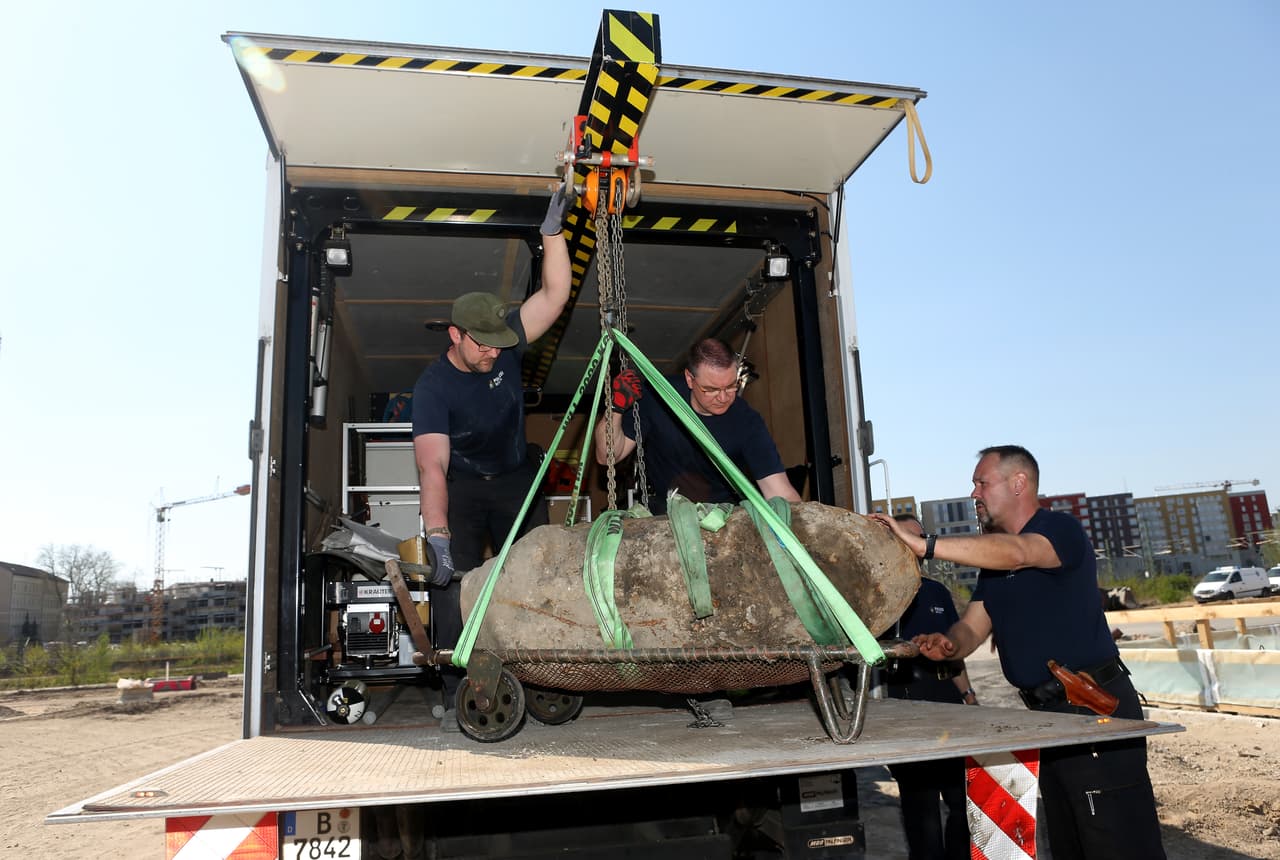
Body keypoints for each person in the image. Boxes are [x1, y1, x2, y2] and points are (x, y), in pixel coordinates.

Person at [870, 445, 1165, 860]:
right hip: (1049, 718)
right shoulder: (994, 561)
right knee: (1071, 840)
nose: (974, 493)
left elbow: (1022, 552)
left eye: (981, 482)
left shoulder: (1059, 530)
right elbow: (972, 627)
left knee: (1116, 839)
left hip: (1095, 712)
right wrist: (949, 644)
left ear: (1019, 483)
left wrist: (925, 546)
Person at [411, 189, 572, 708]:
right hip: (461, 487)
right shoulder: (433, 389)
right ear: (456, 335)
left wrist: (552, 235)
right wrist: (436, 535)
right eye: (481, 343)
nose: (493, 352)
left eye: (499, 343)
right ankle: (461, 691)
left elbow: (554, 296)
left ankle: (547, 675)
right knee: (449, 586)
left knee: (538, 573)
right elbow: (432, 467)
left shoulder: (503, 342)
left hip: (515, 479)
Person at [592, 337, 801, 514]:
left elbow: (779, 491)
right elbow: (607, 457)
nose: (723, 397)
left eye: (730, 386)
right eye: (710, 389)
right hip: (666, 512)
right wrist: (616, 409)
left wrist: (803, 534)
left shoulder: (747, 422)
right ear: (690, 379)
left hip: (721, 515)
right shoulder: (659, 397)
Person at [880, 513, 974, 860]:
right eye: (911, 535)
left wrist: (968, 695)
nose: (919, 543)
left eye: (922, 536)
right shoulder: (881, 594)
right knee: (921, 810)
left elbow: (954, 652)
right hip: (905, 708)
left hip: (946, 705)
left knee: (961, 800)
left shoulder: (936, 591)